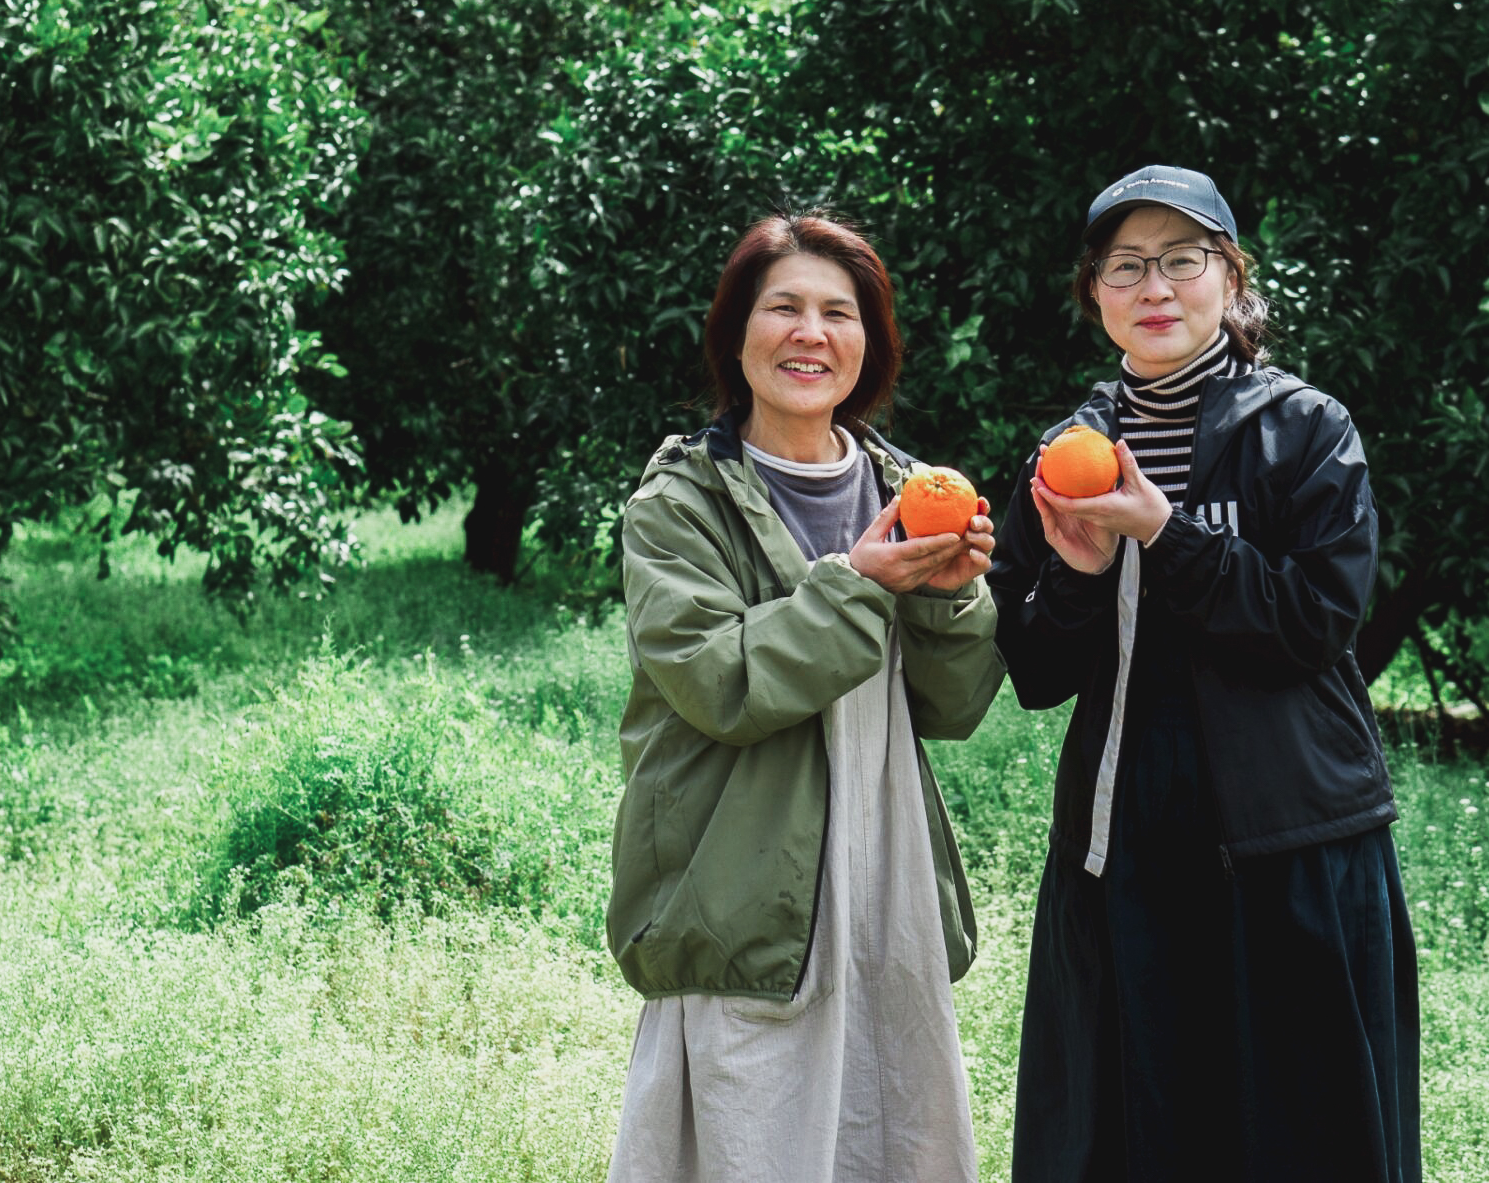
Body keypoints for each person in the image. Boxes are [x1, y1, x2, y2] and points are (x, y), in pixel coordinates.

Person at [989, 164, 1421, 1181]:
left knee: (1301, 1137)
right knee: (1132, 1136)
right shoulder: (1067, 450)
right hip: (1122, 847)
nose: (1156, 288)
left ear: (1230, 280)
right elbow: (1034, 663)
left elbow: (1318, 623)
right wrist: (1086, 577)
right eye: (1126, 266)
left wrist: (1168, 535)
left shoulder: (1306, 432)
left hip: (1288, 844)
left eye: (1183, 261)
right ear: (1095, 293)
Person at [604, 211, 1006, 1183]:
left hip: (885, 870)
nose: (810, 333)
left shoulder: (911, 489)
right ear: (736, 330)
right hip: (744, 884)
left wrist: (952, 602)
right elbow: (720, 682)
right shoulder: (679, 503)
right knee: (757, 1137)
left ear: (869, 343)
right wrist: (862, 583)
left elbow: (951, 708)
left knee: (891, 1124)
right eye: (782, 307)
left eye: (839, 312)